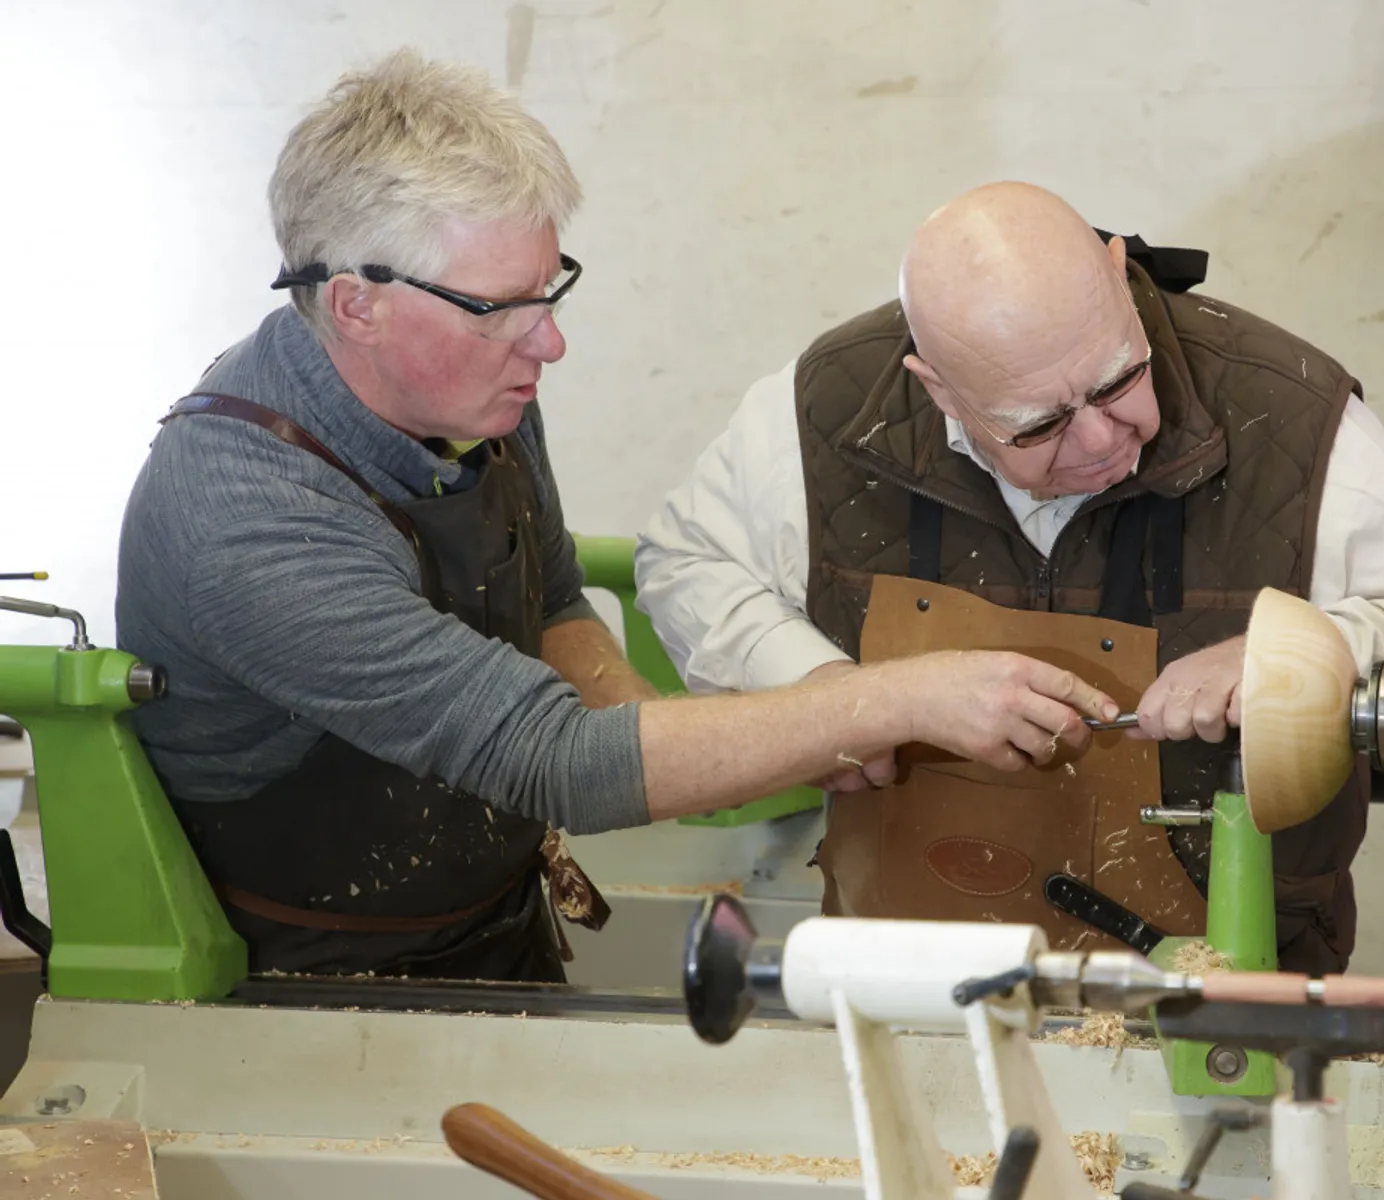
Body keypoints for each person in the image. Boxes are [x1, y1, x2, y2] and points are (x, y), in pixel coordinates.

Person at [114, 57, 1119, 984]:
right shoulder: (246, 522)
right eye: (500, 309)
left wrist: (719, 745)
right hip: (311, 984)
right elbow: (555, 760)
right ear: (354, 306)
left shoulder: (477, 394)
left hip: (497, 919)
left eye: (548, 290)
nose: (547, 342)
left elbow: (552, 604)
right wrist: (885, 702)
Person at [635, 181, 1384, 974]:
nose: (1101, 439)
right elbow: (685, 564)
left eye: (1118, 381)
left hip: (1226, 988)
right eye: (1039, 425)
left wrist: (1295, 654)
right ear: (938, 391)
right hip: (903, 981)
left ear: (1119, 277)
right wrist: (832, 698)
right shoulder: (824, 411)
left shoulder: (1290, 414)